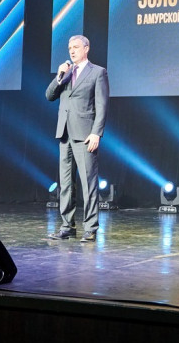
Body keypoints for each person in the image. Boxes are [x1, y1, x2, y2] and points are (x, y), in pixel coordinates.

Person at [45, 35, 109, 243]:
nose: (72, 51)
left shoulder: (97, 72)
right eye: (69, 48)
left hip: (85, 135)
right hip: (64, 134)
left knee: (88, 184)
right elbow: (49, 96)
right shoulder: (66, 73)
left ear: (86, 48)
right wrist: (59, 76)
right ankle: (67, 226)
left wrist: (96, 132)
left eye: (76, 47)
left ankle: (90, 228)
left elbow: (102, 106)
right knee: (65, 183)